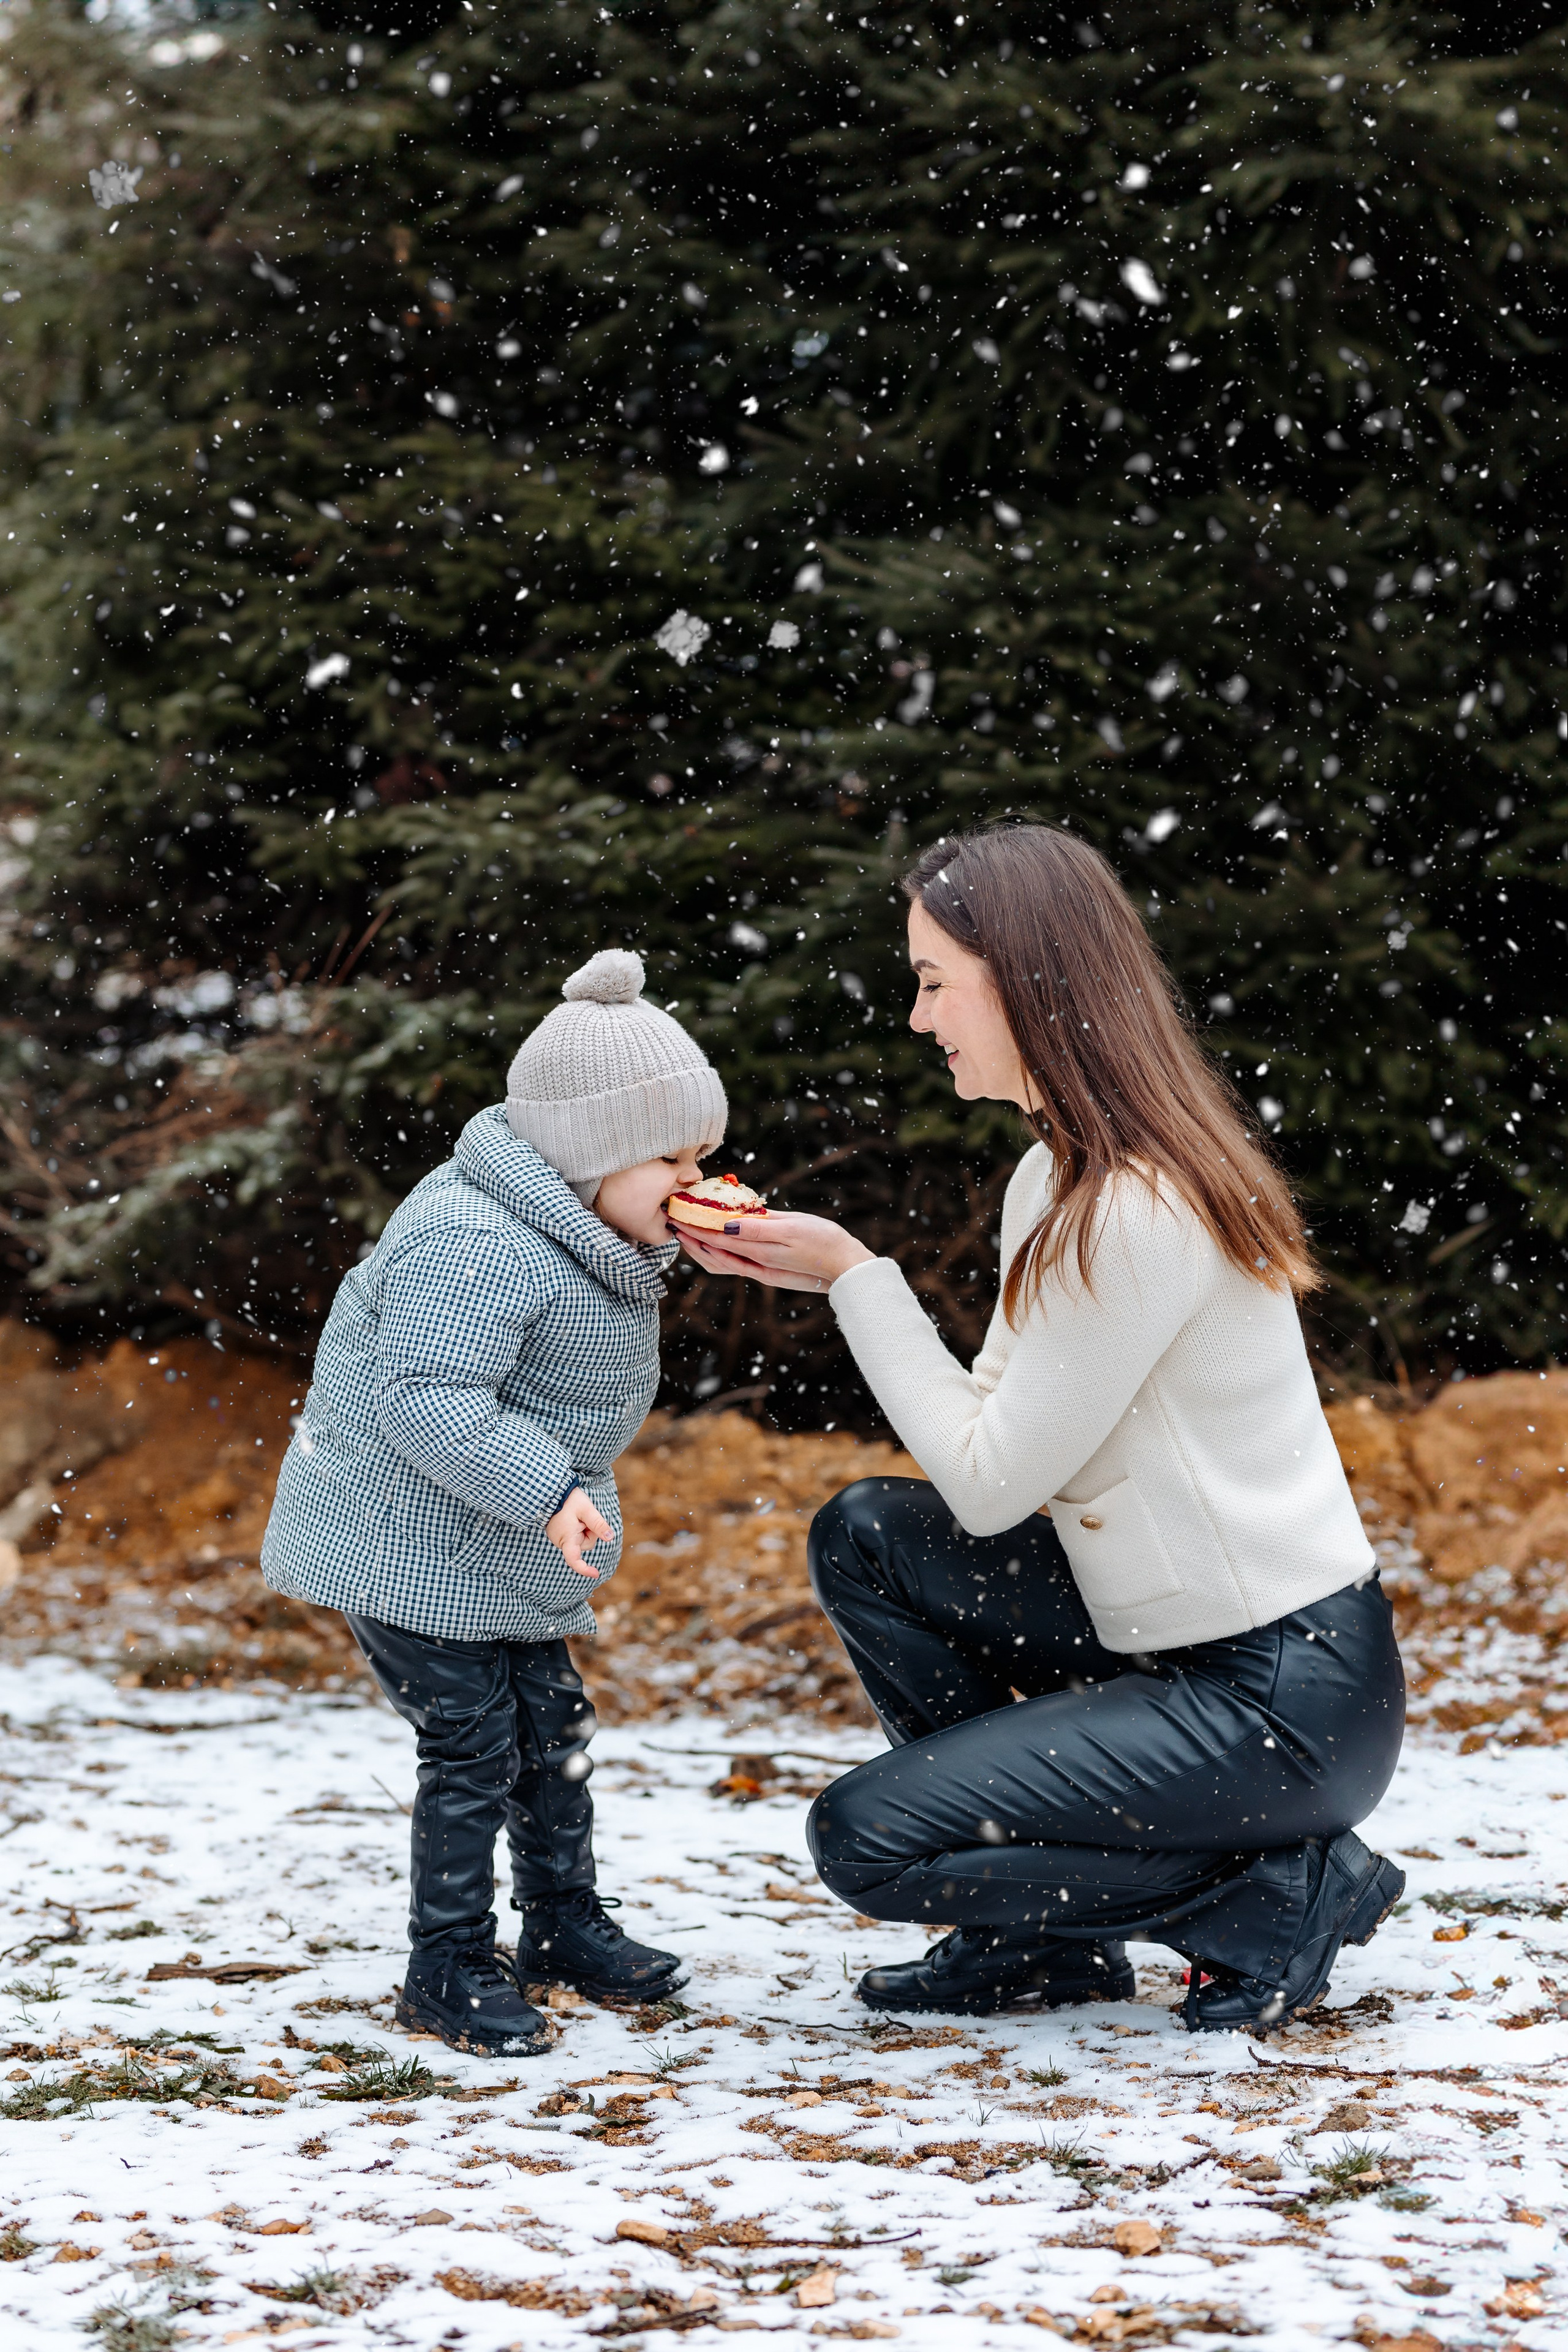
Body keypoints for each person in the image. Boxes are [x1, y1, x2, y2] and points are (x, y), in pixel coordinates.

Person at [675, 826, 1406, 2033]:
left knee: (867, 1844)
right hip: (1172, 1642)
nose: (917, 1020)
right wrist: (835, 1279)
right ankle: (1033, 1951)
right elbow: (992, 1431)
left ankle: (1270, 1896)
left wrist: (857, 1278)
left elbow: (990, 1484)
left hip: (1279, 1696)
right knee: (868, 1535)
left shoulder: (1133, 1211)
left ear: (1021, 981)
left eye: (928, 983)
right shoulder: (1055, 1180)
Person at [262, 948, 726, 2054]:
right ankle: (449, 1959)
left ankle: (561, 1922)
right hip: (404, 1536)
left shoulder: (580, 1228)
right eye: (671, 1154)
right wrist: (551, 1486)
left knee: (550, 1724)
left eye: (702, 1153)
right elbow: (429, 1400)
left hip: (496, 1537)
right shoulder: (474, 1241)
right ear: (588, 1154)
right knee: (472, 1744)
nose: (694, 1176)